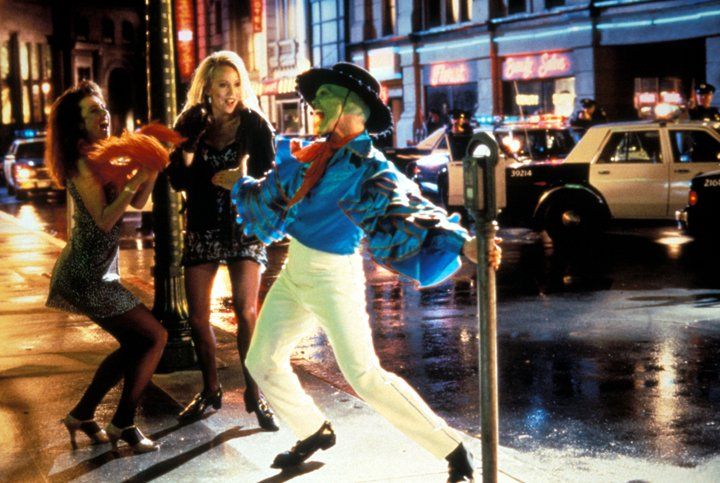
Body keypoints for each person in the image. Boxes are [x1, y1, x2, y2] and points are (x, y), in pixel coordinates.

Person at [213, 62, 501, 482]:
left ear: (351, 104)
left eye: (324, 96)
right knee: (261, 359)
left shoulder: (369, 166)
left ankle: (452, 447)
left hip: (334, 278)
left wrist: (465, 243)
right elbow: (275, 192)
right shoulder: (315, 154)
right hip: (296, 271)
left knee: (364, 375)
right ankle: (313, 430)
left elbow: (412, 208)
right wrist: (241, 184)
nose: (314, 104)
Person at [46, 81, 168, 453]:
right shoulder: (82, 163)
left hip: (99, 271)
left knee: (135, 342)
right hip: (84, 274)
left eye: (103, 107)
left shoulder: (105, 157)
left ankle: (82, 415)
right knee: (155, 337)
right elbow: (103, 219)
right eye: (93, 111)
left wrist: (152, 166)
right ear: (77, 124)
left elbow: (138, 202)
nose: (103, 114)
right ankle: (123, 422)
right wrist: (136, 177)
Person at [165, 50, 278, 430]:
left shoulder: (255, 125)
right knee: (198, 317)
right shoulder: (190, 124)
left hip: (244, 226)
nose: (230, 93)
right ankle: (210, 389)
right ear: (208, 89)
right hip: (202, 225)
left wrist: (241, 182)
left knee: (246, 311)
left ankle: (255, 393)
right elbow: (177, 180)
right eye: (222, 85)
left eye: (235, 84)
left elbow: (272, 178)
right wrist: (188, 149)